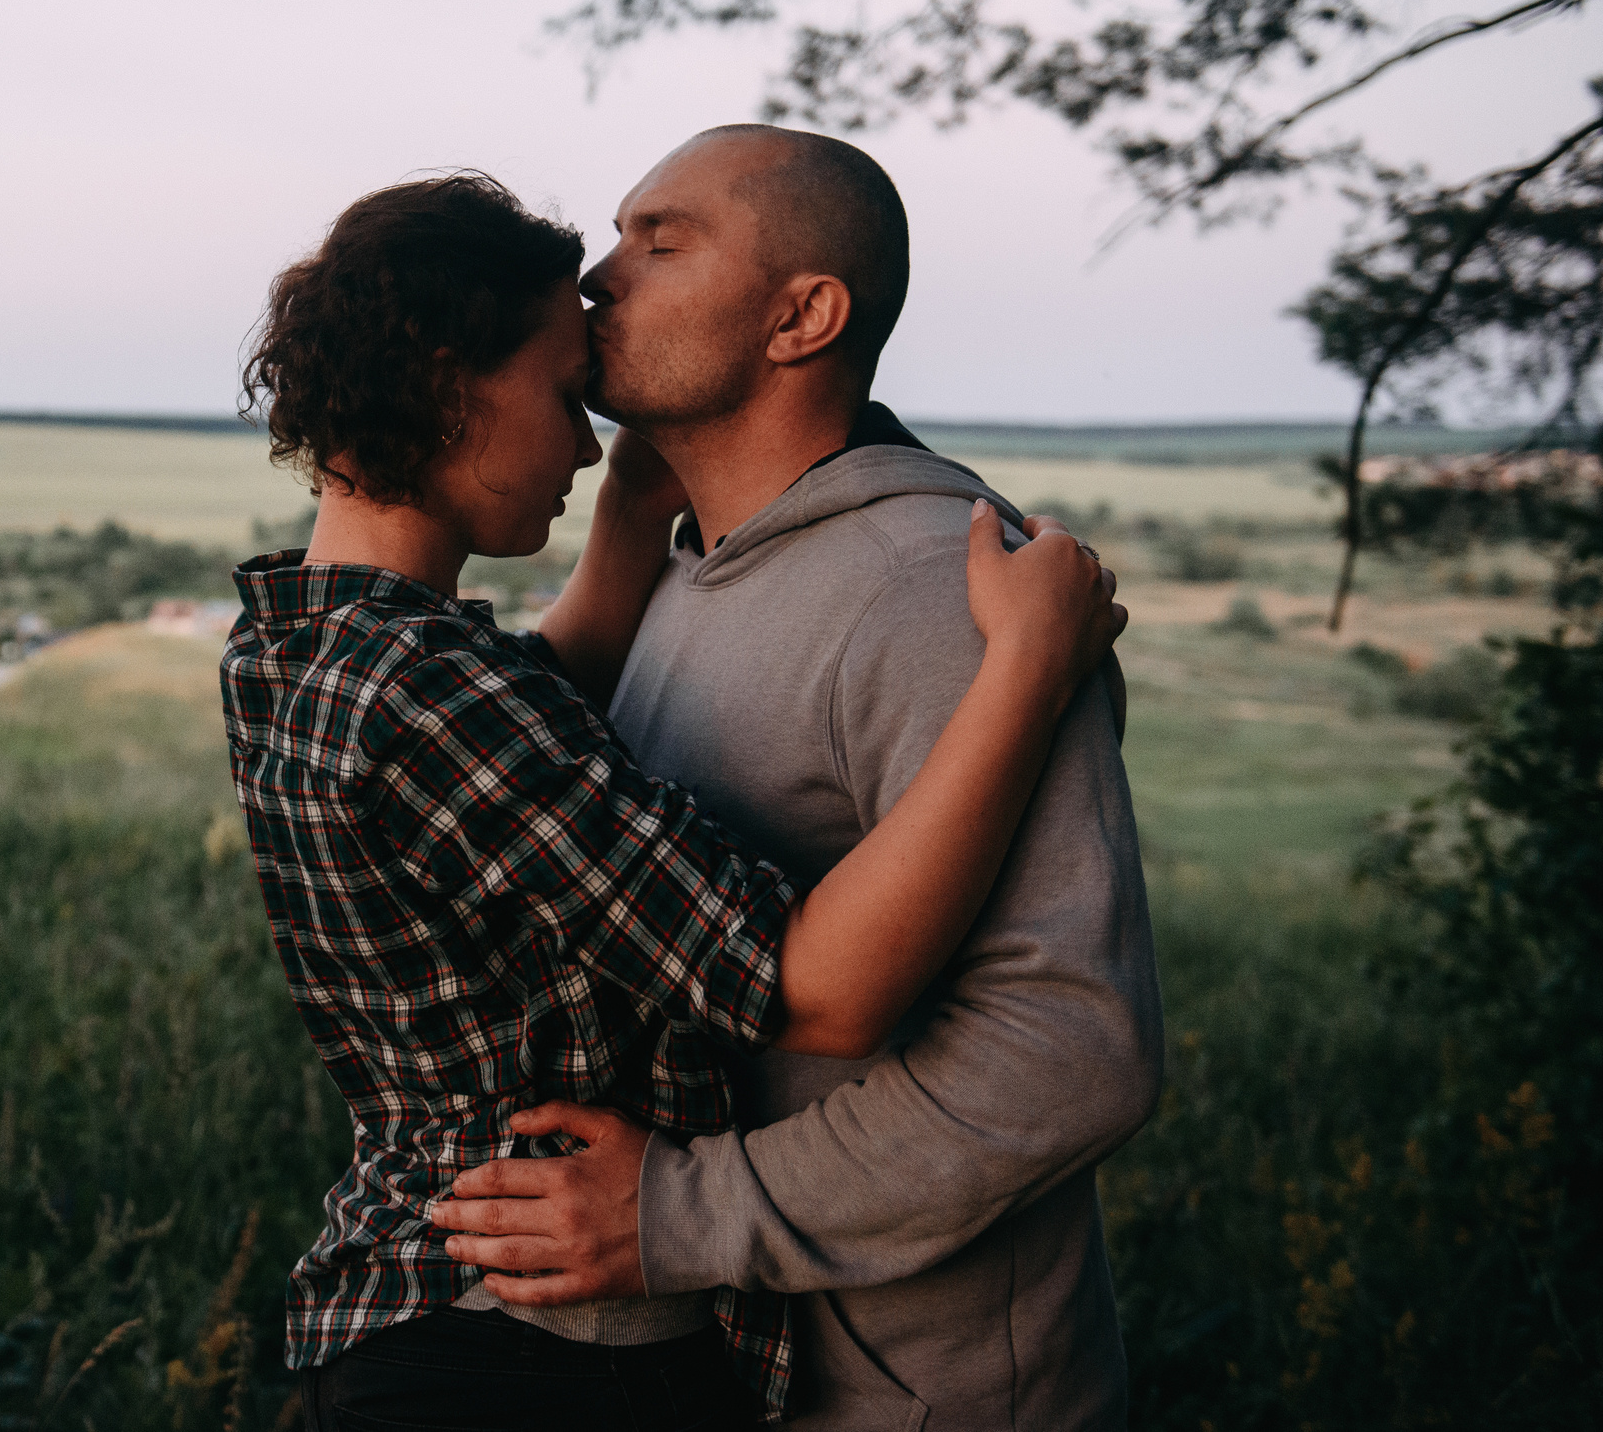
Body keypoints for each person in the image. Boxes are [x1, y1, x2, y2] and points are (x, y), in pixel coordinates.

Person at [226, 171, 1125, 1431]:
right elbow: (812, 985)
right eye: (557, 392)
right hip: (538, 1345)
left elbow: (546, 706)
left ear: (803, 315)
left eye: (662, 238)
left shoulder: (296, 644)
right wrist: (1024, 667)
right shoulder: (433, 694)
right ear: (445, 385)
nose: (587, 439)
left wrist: (640, 519)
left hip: (423, 1300)